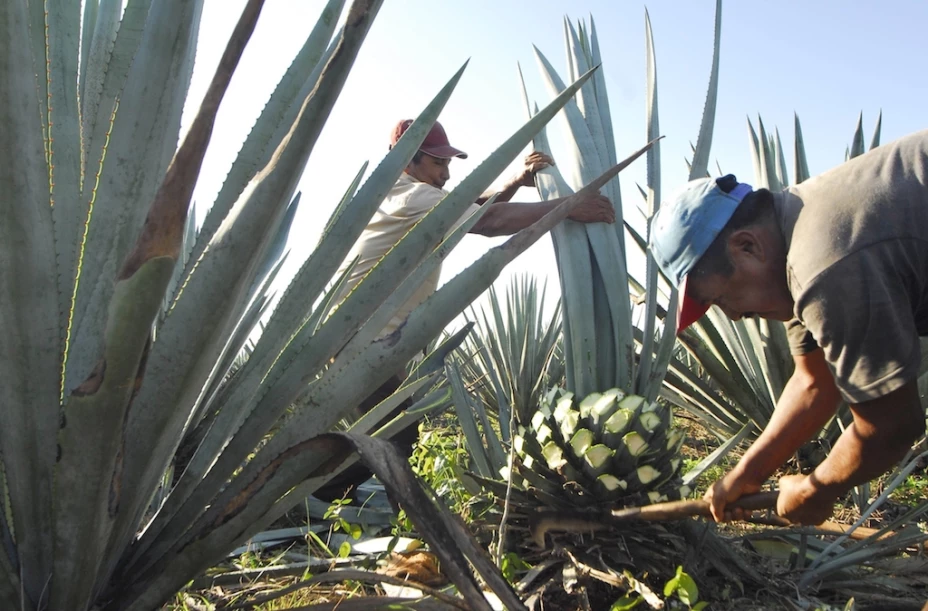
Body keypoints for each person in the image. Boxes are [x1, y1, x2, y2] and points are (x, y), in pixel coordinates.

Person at [314, 118, 615, 502]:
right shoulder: (412, 195)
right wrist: (570, 206)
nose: (446, 173)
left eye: (447, 164)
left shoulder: (396, 194)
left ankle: (336, 506)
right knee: (398, 440)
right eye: (438, 163)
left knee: (390, 435)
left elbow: (469, 210)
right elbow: (488, 221)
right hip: (363, 343)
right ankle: (320, 501)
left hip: (356, 340)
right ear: (409, 161)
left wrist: (514, 182)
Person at [649, 130, 928, 526]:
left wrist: (817, 489)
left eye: (722, 298)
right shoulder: (795, 229)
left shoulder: (825, 266)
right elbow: (814, 381)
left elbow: (892, 424)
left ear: (747, 247)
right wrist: (746, 473)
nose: (733, 317)